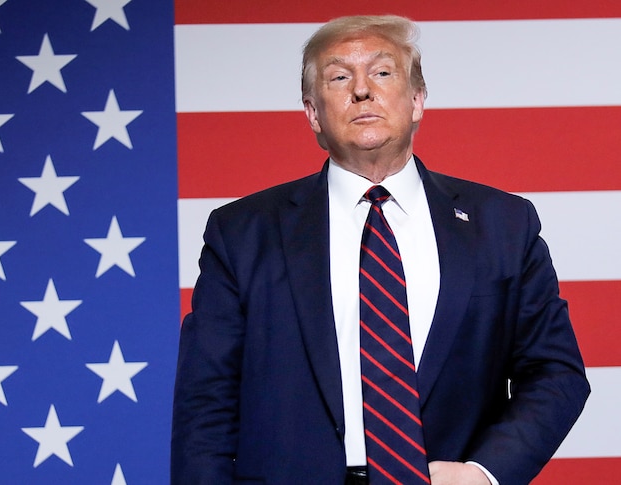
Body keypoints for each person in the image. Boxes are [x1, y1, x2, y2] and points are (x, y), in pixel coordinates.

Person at [171, 14, 589, 485]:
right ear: (313, 113)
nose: (362, 90)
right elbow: (204, 403)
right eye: (339, 77)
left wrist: (482, 474)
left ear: (416, 101)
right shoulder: (242, 232)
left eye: (382, 71)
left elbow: (556, 374)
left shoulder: (504, 225)